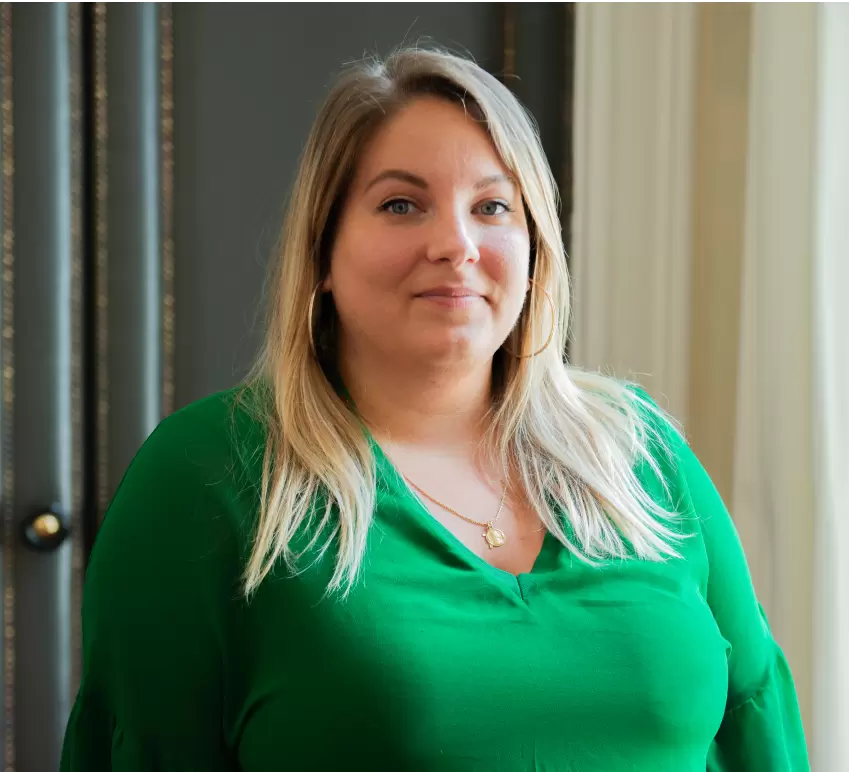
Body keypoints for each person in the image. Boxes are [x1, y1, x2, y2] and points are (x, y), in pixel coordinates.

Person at [60, 46, 809, 771]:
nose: (455, 244)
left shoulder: (641, 453)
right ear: (321, 253)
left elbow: (754, 723)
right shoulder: (207, 476)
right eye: (400, 204)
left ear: (534, 247)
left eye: (491, 206)